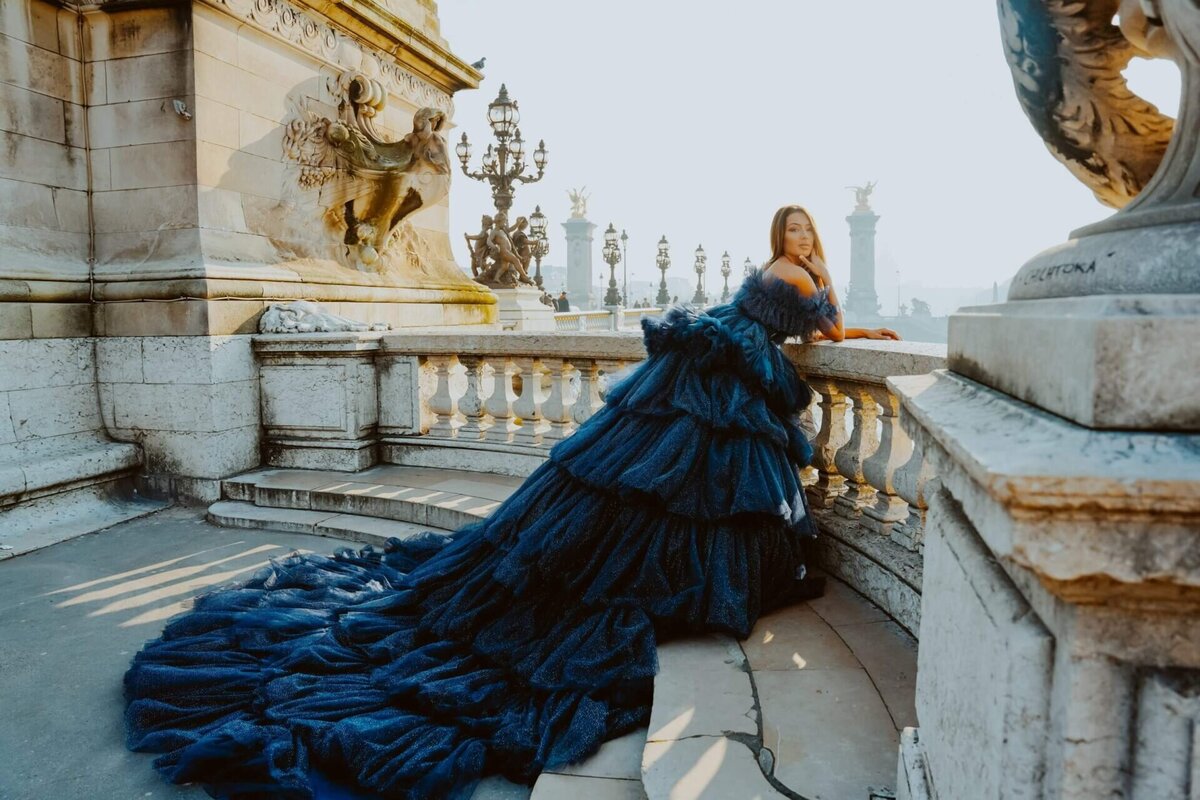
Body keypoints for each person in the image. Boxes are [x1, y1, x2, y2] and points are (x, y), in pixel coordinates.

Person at [122, 204, 899, 799]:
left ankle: (667, 577)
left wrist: (859, 324)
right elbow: (817, 323)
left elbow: (822, 330)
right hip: (729, 372)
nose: (798, 239)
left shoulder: (791, 272)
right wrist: (842, 309)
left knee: (657, 481)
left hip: (723, 366)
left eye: (805, 231)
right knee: (676, 485)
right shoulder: (795, 275)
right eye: (791, 229)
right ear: (782, 236)